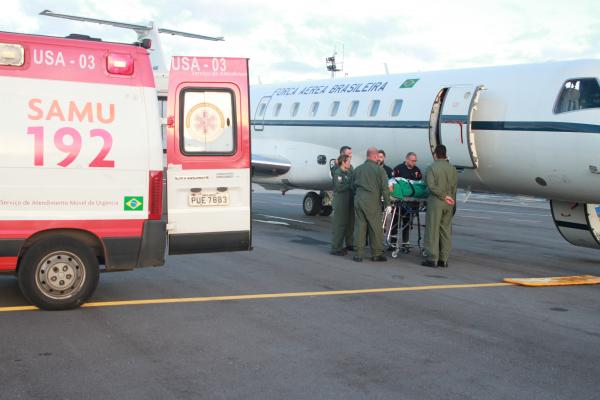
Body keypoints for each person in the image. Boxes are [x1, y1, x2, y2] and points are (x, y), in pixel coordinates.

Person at [422, 145, 458, 268]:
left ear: (436, 154)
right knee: (446, 231)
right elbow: (454, 187)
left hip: (436, 202)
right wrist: (452, 201)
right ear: (445, 154)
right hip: (449, 202)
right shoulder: (452, 168)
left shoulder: (432, 167)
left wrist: (442, 196)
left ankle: (432, 258)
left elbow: (430, 186)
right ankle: (444, 259)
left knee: (432, 229)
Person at [352, 147, 391, 262]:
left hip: (359, 200)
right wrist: (388, 204)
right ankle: (376, 254)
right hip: (372, 202)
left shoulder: (358, 169)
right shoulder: (380, 170)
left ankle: (358, 254)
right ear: (374, 156)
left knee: (360, 226)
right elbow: (385, 189)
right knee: (375, 228)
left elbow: (352, 186)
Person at [392, 152, 422, 247]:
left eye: (415, 161)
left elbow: (419, 185)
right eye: (412, 161)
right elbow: (393, 183)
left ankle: (405, 243)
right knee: (395, 222)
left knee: (407, 223)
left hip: (411, 203)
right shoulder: (398, 169)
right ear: (407, 159)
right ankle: (393, 243)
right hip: (399, 201)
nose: (414, 163)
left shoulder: (417, 171)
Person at [330, 154, 354, 255]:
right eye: (348, 161)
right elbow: (339, 187)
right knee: (339, 226)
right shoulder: (338, 173)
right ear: (343, 162)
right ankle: (335, 248)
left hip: (348, 201)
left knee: (347, 225)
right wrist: (350, 185)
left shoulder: (348, 172)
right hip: (340, 202)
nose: (349, 163)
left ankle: (344, 245)